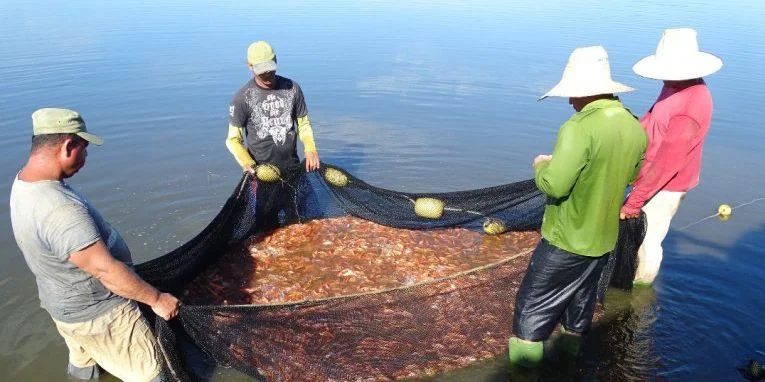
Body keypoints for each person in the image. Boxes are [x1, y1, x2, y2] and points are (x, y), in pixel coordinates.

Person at [9, 108, 180, 382]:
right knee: (153, 374)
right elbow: (105, 270)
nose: (86, 156)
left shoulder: (24, 183)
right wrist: (157, 300)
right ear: (68, 146)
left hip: (64, 309)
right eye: (84, 147)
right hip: (103, 314)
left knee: (84, 364)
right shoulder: (59, 210)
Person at [508, 46, 647, 368]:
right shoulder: (632, 123)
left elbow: (554, 184)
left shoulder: (579, 127)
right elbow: (632, 175)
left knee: (531, 309)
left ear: (585, 91)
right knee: (580, 303)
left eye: (572, 94)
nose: (571, 101)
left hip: (566, 238)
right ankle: (572, 366)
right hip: (602, 240)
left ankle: (522, 373)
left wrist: (542, 165)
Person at [620, 28, 723, 285]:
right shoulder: (673, 86)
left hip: (666, 186)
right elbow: (650, 121)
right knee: (637, 239)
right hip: (649, 177)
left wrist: (636, 200)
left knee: (648, 240)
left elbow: (669, 161)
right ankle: (629, 280)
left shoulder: (691, 103)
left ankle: (641, 290)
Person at [226, 40, 320, 230]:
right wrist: (248, 163)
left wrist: (310, 149)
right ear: (250, 67)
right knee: (265, 230)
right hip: (262, 176)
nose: (268, 74)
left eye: (270, 68)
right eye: (262, 70)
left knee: (302, 225)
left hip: (292, 170)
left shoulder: (292, 88)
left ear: (276, 60)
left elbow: (303, 123)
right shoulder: (242, 98)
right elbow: (233, 139)